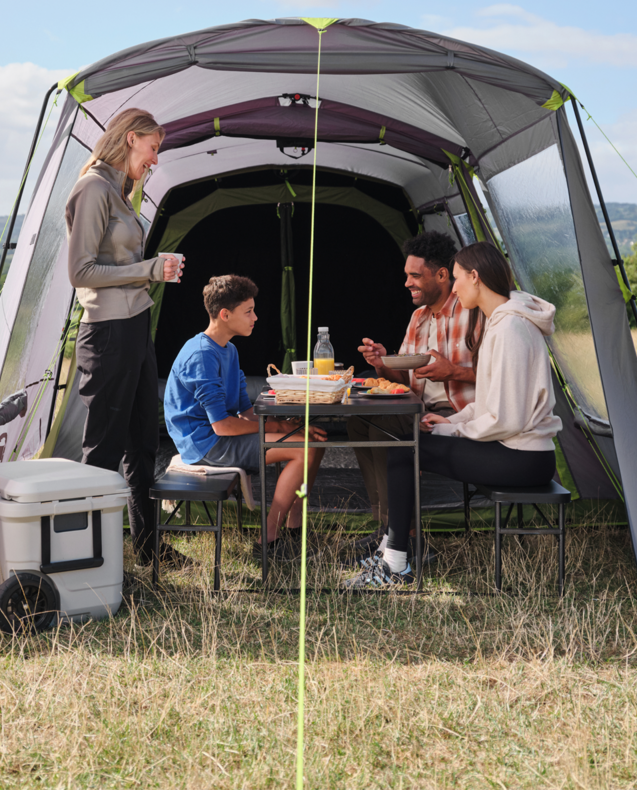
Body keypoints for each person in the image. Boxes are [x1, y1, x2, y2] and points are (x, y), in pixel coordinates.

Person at [342, 241, 561, 589]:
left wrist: (452, 432)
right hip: (513, 449)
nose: (455, 288)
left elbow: (508, 419)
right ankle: (393, 553)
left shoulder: (510, 330)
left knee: (406, 449)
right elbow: (490, 401)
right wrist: (451, 422)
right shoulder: (501, 324)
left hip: (523, 457)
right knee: (406, 446)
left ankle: (395, 560)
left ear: (475, 278)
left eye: (457, 279)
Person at [64, 107, 185, 568]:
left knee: (143, 442)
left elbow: (119, 266)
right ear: (131, 138)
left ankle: (147, 549)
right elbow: (81, 272)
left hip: (135, 326)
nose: (154, 159)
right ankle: (88, 558)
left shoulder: (120, 193)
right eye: (153, 148)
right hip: (108, 333)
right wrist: (149, 269)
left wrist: (152, 272)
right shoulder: (92, 189)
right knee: (105, 448)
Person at [165, 275, 327, 559]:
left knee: (314, 441)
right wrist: (278, 426)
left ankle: (295, 530)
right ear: (225, 315)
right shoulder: (202, 355)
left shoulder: (229, 349)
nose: (255, 317)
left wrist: (286, 425)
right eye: (248, 311)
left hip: (221, 435)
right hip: (206, 445)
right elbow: (223, 425)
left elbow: (246, 412)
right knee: (305, 449)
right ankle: (270, 541)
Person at [347, 231, 477, 562]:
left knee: (384, 427)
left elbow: (502, 377)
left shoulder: (473, 311)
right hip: (417, 404)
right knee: (358, 421)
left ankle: (402, 538)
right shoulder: (418, 318)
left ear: (443, 275)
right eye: (407, 275)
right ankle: (387, 526)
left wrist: (454, 372)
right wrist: (381, 363)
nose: (407, 283)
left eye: (414, 275)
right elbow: (403, 379)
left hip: (459, 410)